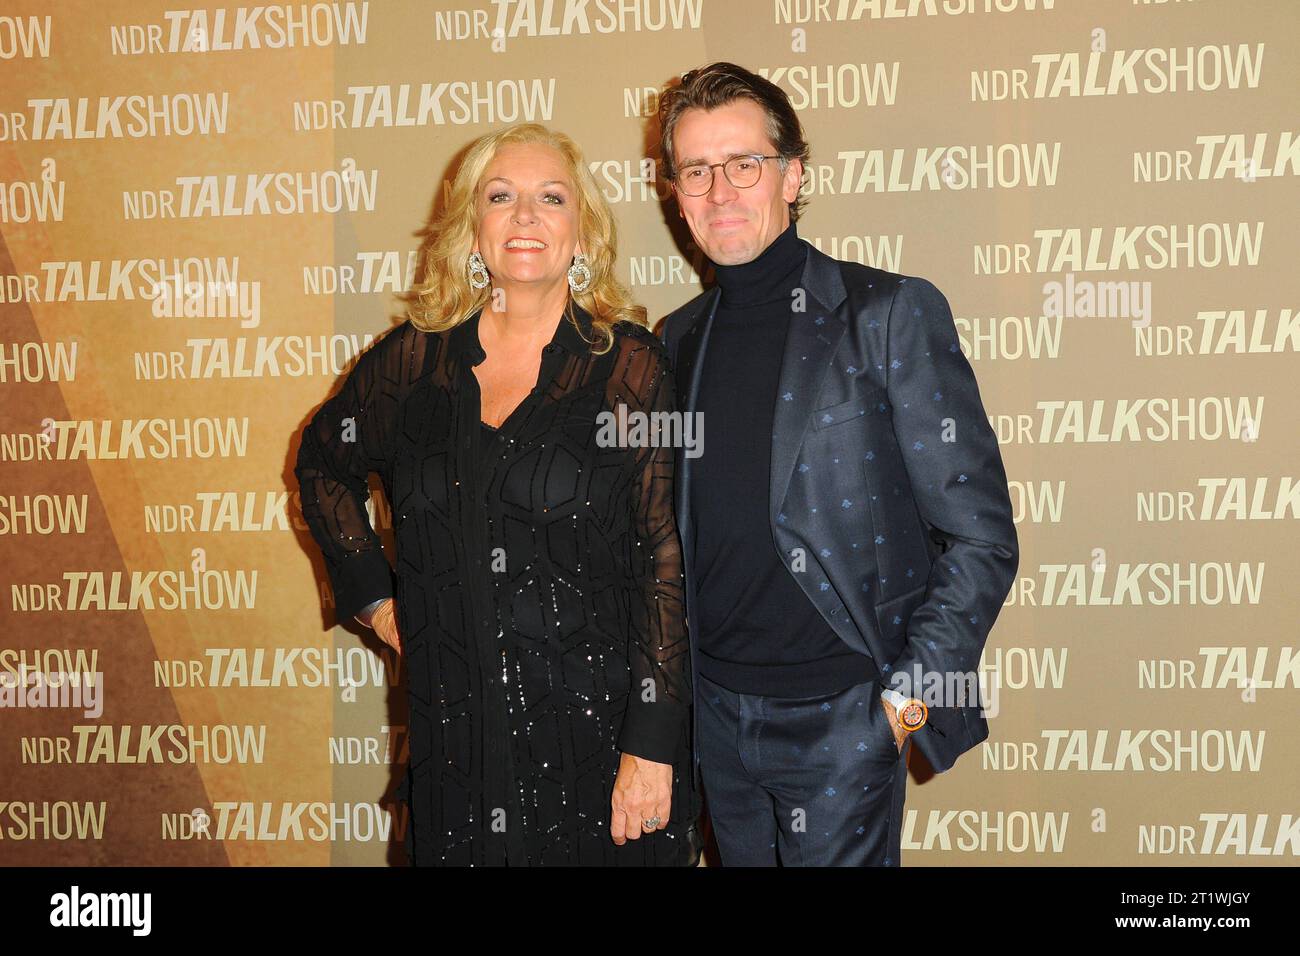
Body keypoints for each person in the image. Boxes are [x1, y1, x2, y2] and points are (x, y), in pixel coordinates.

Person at [294, 122, 701, 866]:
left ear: (582, 235)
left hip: (601, 753)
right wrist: (380, 606)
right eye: (500, 196)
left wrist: (652, 746)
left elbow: (663, 562)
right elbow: (322, 465)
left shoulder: (633, 368)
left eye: (551, 197)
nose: (525, 215)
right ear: (471, 234)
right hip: (457, 750)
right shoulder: (411, 364)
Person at [656, 63, 1019, 866]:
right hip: (715, 719)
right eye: (696, 170)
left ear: (793, 176)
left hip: (843, 720)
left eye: (744, 164)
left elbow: (982, 539)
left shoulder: (886, 314)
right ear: (675, 193)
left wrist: (901, 707)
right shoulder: (676, 339)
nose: (721, 191)